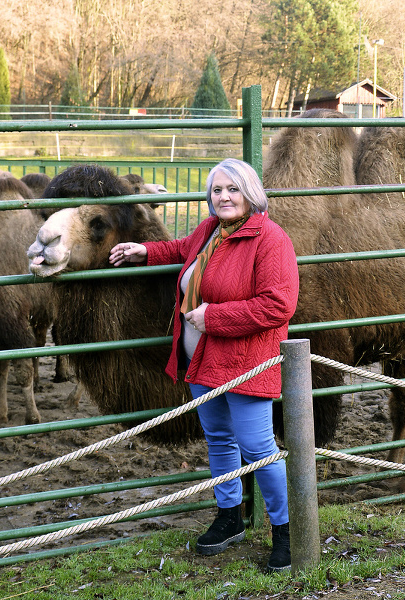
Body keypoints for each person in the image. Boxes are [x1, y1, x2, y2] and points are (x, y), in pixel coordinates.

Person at [108, 158, 299, 573]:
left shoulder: (270, 240)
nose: (224, 197)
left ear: (250, 192)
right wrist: (144, 251)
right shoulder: (210, 232)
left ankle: (286, 532)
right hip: (203, 362)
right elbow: (182, 251)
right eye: (217, 190)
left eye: (232, 189)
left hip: (247, 363)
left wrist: (212, 317)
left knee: (259, 448)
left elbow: (279, 304)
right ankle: (229, 516)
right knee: (218, 439)